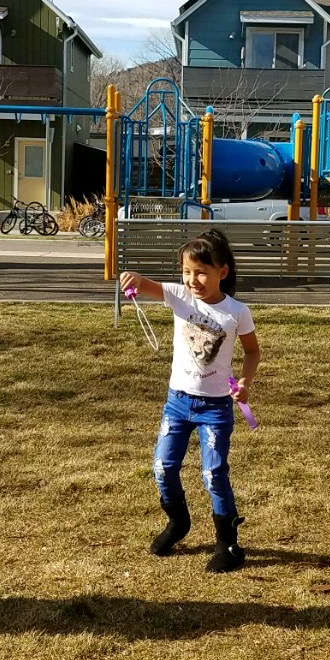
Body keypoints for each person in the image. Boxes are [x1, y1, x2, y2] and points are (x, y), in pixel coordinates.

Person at [119, 227, 259, 573]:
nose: (192, 279)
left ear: (221, 272)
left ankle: (228, 542)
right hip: (177, 403)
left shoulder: (236, 312)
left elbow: (253, 351)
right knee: (163, 467)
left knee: (213, 473)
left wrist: (244, 382)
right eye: (186, 271)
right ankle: (178, 522)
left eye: (201, 272)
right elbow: (144, 284)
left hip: (215, 408)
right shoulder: (178, 296)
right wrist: (132, 277)